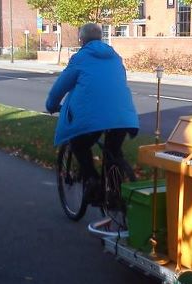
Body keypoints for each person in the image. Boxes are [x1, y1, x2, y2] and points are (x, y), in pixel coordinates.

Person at [46, 23, 139, 202]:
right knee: (113, 151)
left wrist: (51, 105)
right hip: (123, 115)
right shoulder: (115, 57)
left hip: (92, 117)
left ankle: (92, 180)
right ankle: (115, 194)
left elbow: (60, 87)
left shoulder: (80, 58)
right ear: (100, 38)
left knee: (79, 145)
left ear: (81, 40)